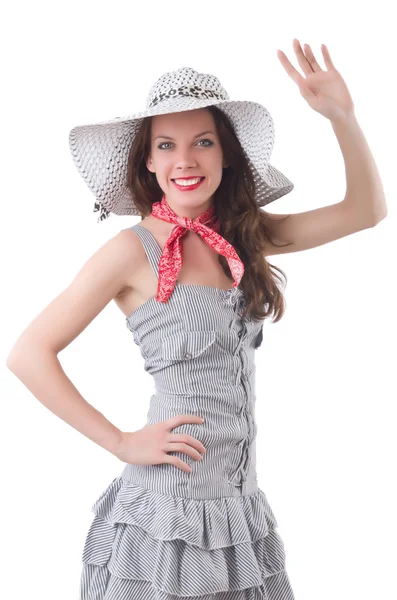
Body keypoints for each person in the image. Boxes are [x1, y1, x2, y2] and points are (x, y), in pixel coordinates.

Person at [6, 40, 387, 600]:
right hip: (168, 516)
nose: (185, 160)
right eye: (167, 145)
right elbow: (27, 353)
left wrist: (343, 117)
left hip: (239, 511)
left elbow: (366, 212)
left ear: (227, 154)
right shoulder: (131, 251)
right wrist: (119, 441)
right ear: (149, 160)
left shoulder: (245, 236)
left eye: (203, 142)